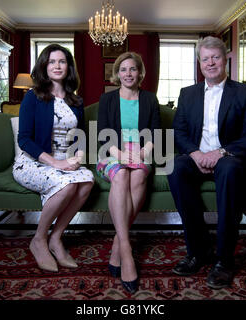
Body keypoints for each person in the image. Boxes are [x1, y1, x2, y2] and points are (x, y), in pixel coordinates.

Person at [167, 36, 246, 289]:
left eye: (216, 57)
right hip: (197, 157)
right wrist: (196, 154)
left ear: (225, 61)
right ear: (199, 63)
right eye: (205, 58)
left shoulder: (243, 92)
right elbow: (178, 132)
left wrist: (220, 153)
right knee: (176, 168)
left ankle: (224, 259)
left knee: (230, 169)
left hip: (227, 158)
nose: (210, 63)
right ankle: (198, 251)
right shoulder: (187, 94)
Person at [13, 44, 94, 272]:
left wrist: (78, 156)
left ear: (69, 67)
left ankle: (56, 237)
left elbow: (81, 137)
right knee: (67, 185)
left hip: (64, 162)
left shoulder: (76, 101)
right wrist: (56, 162)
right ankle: (39, 239)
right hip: (33, 162)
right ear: (44, 66)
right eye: (52, 62)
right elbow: (24, 139)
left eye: (62, 61)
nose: (57, 66)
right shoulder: (33, 97)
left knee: (87, 180)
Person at [97, 52, 161, 293]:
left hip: (142, 152)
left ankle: (117, 242)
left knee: (137, 175)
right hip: (112, 151)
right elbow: (103, 134)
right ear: (117, 74)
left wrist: (142, 154)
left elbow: (155, 133)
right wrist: (120, 154)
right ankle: (126, 248)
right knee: (122, 174)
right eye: (123, 69)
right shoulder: (108, 100)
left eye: (132, 69)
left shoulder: (149, 99)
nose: (128, 74)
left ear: (140, 72)